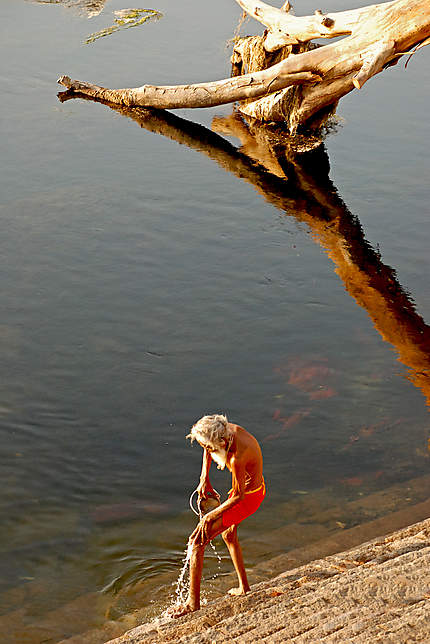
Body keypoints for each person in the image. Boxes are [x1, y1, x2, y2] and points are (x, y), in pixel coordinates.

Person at [172, 414, 265, 617]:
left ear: (221, 442)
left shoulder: (237, 457)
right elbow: (208, 446)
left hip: (248, 497)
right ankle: (244, 587)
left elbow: (239, 496)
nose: (208, 452)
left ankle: (191, 604)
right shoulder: (225, 430)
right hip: (249, 488)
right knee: (228, 535)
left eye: (211, 448)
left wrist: (210, 515)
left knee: (197, 541)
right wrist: (204, 477)